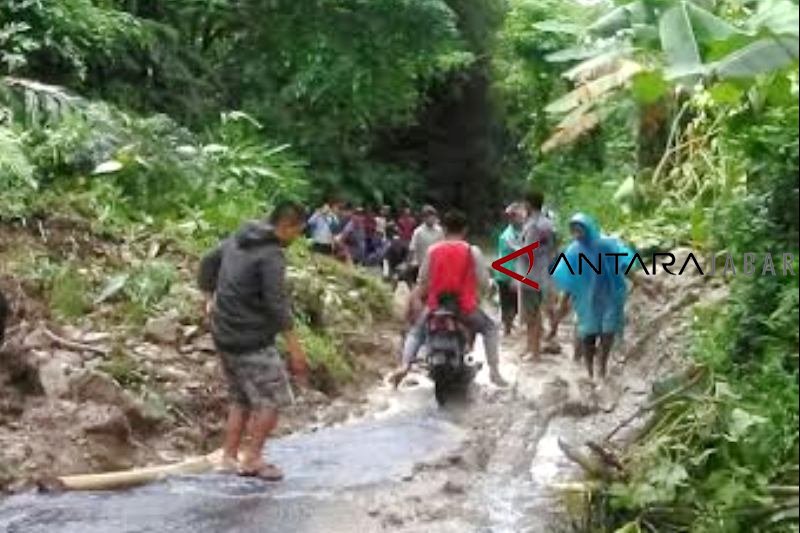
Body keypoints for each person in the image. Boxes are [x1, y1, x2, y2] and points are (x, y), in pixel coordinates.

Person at [198, 201, 310, 481]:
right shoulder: (271, 254)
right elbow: (276, 303)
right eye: (298, 231)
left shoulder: (240, 236)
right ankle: (253, 459)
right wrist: (295, 347)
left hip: (223, 332)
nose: (298, 238)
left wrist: (209, 298)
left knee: (241, 397)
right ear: (286, 226)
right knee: (273, 398)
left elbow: (207, 261)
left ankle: (228, 456)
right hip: (250, 338)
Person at [390, 210, 507, 387]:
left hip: (436, 305)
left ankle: (405, 365)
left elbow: (422, 281)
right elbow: (483, 282)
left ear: (444, 229)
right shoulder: (472, 251)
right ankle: (494, 372)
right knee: (490, 328)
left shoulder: (433, 250)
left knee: (416, 332)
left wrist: (415, 301)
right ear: (465, 230)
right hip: (464, 308)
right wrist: (483, 293)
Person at [551, 213, 638, 379]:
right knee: (588, 335)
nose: (577, 234)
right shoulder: (573, 252)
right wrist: (563, 303)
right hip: (587, 300)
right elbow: (568, 279)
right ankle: (589, 370)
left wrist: (638, 280)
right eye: (573, 230)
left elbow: (623, 264)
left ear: (588, 228)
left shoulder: (606, 245)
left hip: (610, 296)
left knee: (608, 332)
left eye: (579, 229)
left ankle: (602, 366)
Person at [518, 190, 560, 362]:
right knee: (535, 312)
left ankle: (534, 351)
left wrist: (516, 250)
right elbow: (553, 248)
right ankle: (530, 347)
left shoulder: (532, 225)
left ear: (528, 203)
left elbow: (528, 252)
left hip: (530, 274)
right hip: (543, 272)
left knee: (532, 315)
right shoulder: (548, 224)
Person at [494, 203, 524, 335]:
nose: (520, 218)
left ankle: (508, 327)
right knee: (508, 304)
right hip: (506, 273)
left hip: (515, 272)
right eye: (515, 216)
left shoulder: (522, 232)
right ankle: (507, 328)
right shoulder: (507, 236)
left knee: (515, 305)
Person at [408, 205, 444, 281]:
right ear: (424, 218)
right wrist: (410, 263)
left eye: (433, 216)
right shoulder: (418, 232)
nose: (432, 219)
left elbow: (443, 247)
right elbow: (412, 248)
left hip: (437, 265)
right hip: (422, 265)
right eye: (428, 216)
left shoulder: (440, 231)